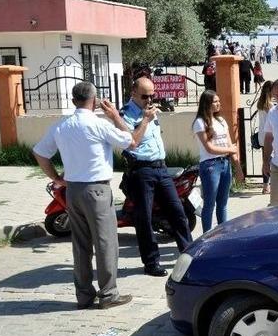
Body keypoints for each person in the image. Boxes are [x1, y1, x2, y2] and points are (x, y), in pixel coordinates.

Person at [33, 82, 140, 309]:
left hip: (73, 190)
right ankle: (108, 294)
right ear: (94, 101)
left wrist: (56, 178)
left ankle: (84, 295)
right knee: (106, 243)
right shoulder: (98, 124)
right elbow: (130, 142)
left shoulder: (61, 125)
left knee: (80, 244)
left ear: (74, 101)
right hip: (97, 190)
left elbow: (40, 153)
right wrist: (114, 116)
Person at [122, 77, 193, 277]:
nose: (149, 99)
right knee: (144, 218)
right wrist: (144, 120)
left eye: (152, 95)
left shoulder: (152, 110)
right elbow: (130, 142)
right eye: (145, 96)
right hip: (141, 170)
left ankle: (189, 255)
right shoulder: (126, 114)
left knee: (178, 212)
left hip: (161, 168)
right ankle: (151, 262)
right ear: (133, 94)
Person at [193, 90, 243, 233]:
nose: (218, 104)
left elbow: (230, 143)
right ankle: (207, 236)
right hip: (210, 166)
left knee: (223, 203)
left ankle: (223, 234)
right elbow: (209, 148)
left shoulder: (221, 121)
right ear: (207, 103)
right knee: (209, 203)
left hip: (225, 164)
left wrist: (237, 167)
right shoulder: (200, 122)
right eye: (215, 101)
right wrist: (230, 150)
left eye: (218, 101)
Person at [256, 81, 274, 195]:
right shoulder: (270, 105)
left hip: (261, 135)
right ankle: (270, 184)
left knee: (265, 160)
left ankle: (265, 185)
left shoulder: (260, 103)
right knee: (271, 160)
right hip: (270, 135)